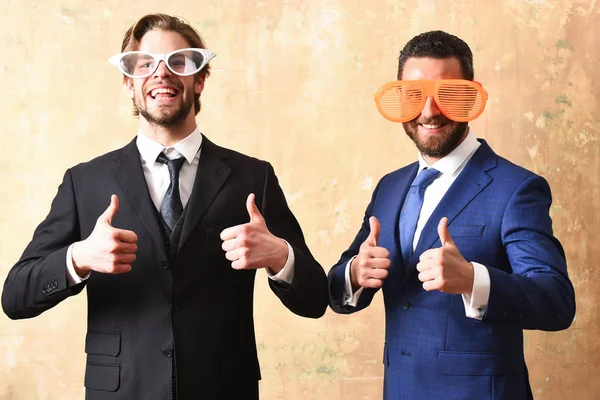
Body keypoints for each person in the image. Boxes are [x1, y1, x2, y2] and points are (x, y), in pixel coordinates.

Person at [2, 13, 328, 400]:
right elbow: (15, 298)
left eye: (178, 62)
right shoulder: (84, 181)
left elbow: (315, 300)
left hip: (223, 388)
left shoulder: (251, 178)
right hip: (121, 391)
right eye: (146, 65)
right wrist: (79, 258)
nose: (162, 74)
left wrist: (280, 256)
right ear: (129, 83)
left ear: (200, 78)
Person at [328, 30, 575, 400]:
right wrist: (354, 273)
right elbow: (339, 287)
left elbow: (556, 302)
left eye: (448, 94)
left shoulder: (517, 188)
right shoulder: (389, 187)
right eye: (415, 96)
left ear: (470, 95)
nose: (429, 112)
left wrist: (473, 279)